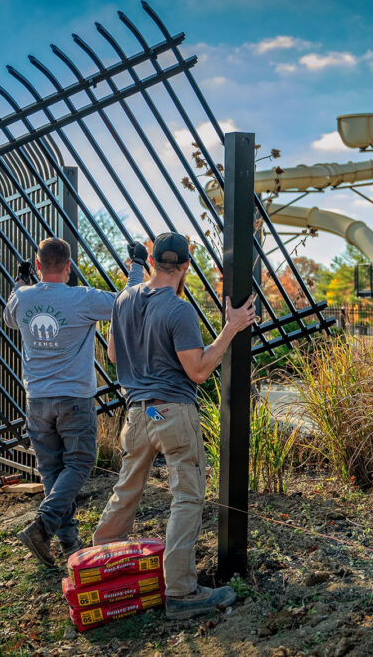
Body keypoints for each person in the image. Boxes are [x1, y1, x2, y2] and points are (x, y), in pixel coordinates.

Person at [92, 232, 257, 620]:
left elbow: (115, 355)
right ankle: (182, 591)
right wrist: (231, 327)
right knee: (187, 497)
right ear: (184, 267)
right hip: (172, 413)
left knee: (127, 488)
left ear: (150, 262)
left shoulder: (122, 300)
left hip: (138, 415)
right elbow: (198, 371)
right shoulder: (179, 310)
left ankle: (100, 560)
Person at [3, 237, 146, 567]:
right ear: (68, 267)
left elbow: (11, 318)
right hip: (74, 399)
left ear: (39, 267)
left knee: (52, 470)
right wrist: (136, 266)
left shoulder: (22, 297)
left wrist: (20, 282)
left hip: (37, 400)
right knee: (80, 463)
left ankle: (68, 542)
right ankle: (42, 526)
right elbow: (128, 305)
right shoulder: (82, 297)